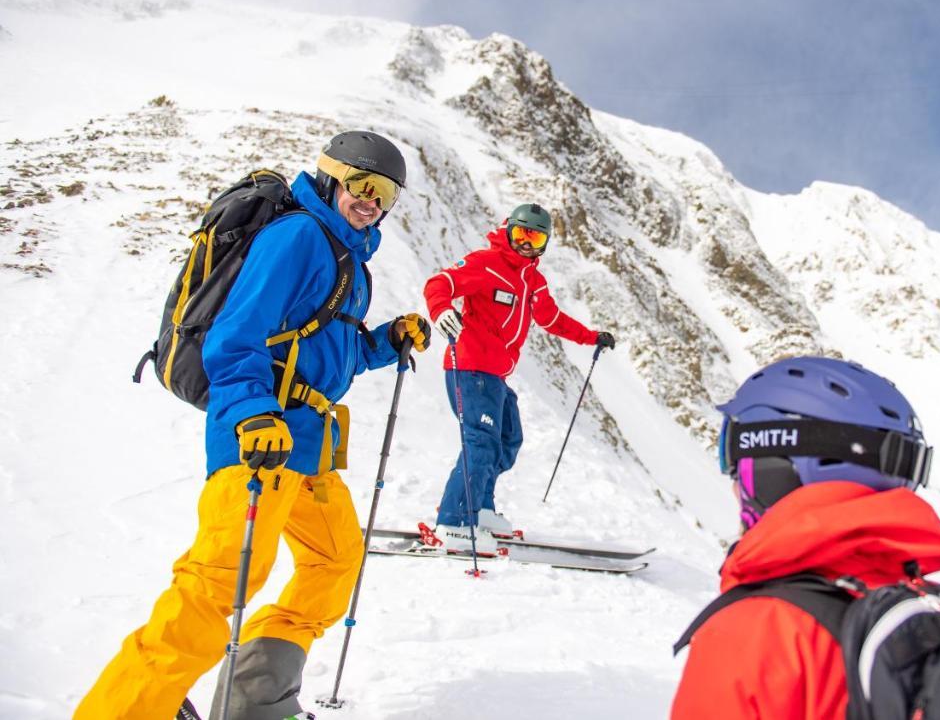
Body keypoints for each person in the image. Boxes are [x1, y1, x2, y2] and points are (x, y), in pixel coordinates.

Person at [76, 131, 430, 720]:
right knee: (216, 585)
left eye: (385, 192)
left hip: (309, 448)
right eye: (361, 184)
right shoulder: (297, 237)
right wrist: (251, 414)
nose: (371, 200)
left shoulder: (348, 257)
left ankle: (255, 700)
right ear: (329, 178)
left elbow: (327, 353)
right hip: (260, 441)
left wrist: (384, 342)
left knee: (336, 561)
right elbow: (234, 336)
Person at [670, 356, 940, 719]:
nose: (733, 485)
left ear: (775, 472)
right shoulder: (931, 614)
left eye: (733, 461)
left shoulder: (758, 634)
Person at [423, 202, 615, 553]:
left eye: (536, 236)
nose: (527, 243)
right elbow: (441, 283)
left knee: (507, 441)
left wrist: (591, 337)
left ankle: (479, 508)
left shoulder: (532, 281)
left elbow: (551, 319)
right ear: (508, 230)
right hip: (469, 367)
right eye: (522, 233)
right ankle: (453, 521)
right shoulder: (486, 263)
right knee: (480, 442)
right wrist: (441, 310)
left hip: (496, 375)